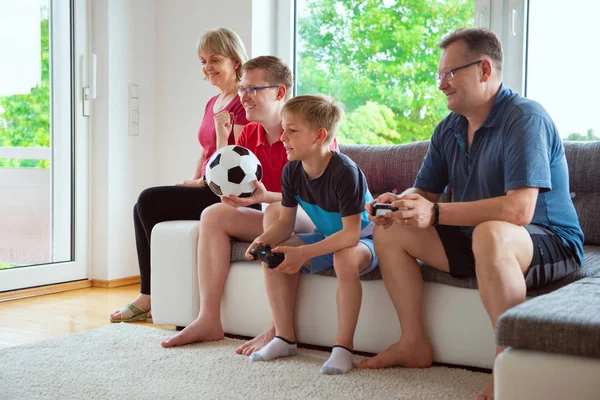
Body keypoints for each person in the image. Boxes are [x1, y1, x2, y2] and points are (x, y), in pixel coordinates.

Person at [356, 28, 584, 400]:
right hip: (474, 239)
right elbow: (424, 191)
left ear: (483, 69)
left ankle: (508, 365)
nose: (442, 84)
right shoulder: (448, 129)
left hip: (547, 240)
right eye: (439, 75)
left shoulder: (525, 118)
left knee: (491, 232)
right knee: (391, 230)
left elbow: (519, 210)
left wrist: (436, 212)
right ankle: (413, 344)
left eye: (450, 74)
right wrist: (400, 204)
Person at [161, 57, 339, 349]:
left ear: (280, 93)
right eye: (242, 89)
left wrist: (265, 198)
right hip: (274, 214)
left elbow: (315, 197)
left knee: (276, 212)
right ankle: (208, 319)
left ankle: (278, 330)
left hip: (314, 216)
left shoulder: (306, 133)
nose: (243, 97)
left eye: (253, 89)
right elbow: (238, 184)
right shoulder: (249, 135)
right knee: (214, 215)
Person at [110, 28, 251, 323]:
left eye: (214, 59)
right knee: (141, 207)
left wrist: (202, 183)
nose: (207, 67)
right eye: (202, 61)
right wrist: (193, 180)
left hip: (228, 192)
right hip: (206, 184)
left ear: (235, 61)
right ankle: (149, 293)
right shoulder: (213, 103)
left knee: (148, 199)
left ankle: (154, 293)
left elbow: (234, 158)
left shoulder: (242, 102)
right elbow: (205, 149)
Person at [244, 95, 378, 375]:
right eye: (284, 129)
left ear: (320, 135)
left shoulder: (345, 173)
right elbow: (284, 224)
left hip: (365, 240)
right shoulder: (292, 170)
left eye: (292, 130)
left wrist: (304, 252)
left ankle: (342, 348)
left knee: (344, 257)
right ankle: (284, 337)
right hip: (327, 238)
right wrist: (263, 241)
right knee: (276, 254)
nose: (283, 137)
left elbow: (351, 235)